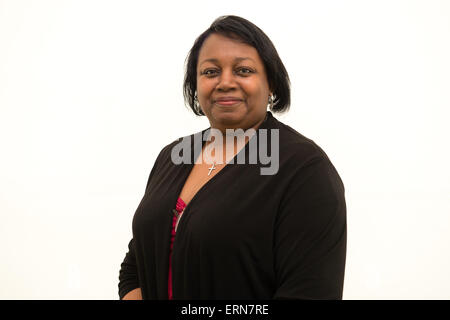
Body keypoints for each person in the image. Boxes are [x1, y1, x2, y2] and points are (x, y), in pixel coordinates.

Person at [118, 15, 346, 300]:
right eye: (210, 72)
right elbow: (135, 267)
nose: (225, 82)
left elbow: (311, 292)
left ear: (271, 83)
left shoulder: (303, 169)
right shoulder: (173, 157)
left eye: (243, 70)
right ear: (196, 84)